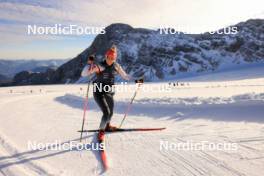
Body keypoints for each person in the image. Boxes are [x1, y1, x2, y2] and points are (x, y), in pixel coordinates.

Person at [81, 45, 143, 141]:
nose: (111, 60)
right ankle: (101, 131)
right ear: (106, 57)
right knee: (106, 113)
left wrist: (136, 80)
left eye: (113, 58)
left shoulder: (116, 66)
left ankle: (107, 126)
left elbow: (125, 76)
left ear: (115, 58)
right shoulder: (100, 66)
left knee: (111, 113)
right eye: (109, 58)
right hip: (99, 92)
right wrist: (89, 63)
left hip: (109, 92)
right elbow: (84, 74)